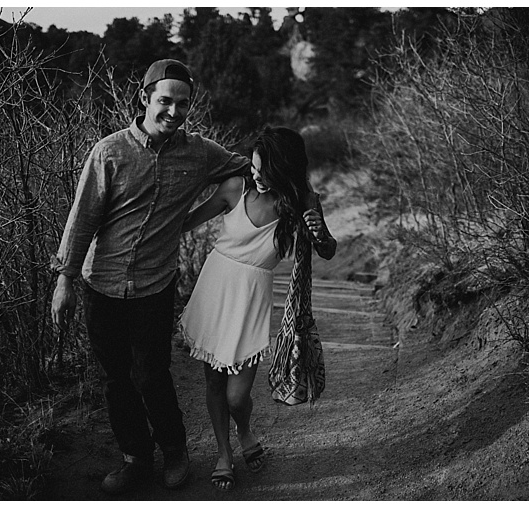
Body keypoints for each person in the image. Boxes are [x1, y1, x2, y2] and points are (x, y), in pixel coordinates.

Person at [50, 59, 253, 494]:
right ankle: (135, 458)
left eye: (183, 104)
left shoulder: (200, 153)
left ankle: (175, 451)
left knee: (153, 374)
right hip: (100, 285)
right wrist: (64, 279)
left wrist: (216, 208)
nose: (174, 112)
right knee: (116, 378)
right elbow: (82, 218)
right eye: (165, 101)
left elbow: (250, 168)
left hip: (154, 286)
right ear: (145, 98)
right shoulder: (110, 152)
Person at [177, 127, 337, 491]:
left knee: (237, 395)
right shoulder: (235, 189)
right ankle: (223, 453)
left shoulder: (302, 201)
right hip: (215, 288)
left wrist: (319, 231)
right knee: (214, 380)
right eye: (254, 167)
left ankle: (245, 431)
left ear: (285, 169)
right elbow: (186, 222)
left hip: (252, 299)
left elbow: (327, 249)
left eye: (266, 171)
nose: (258, 176)